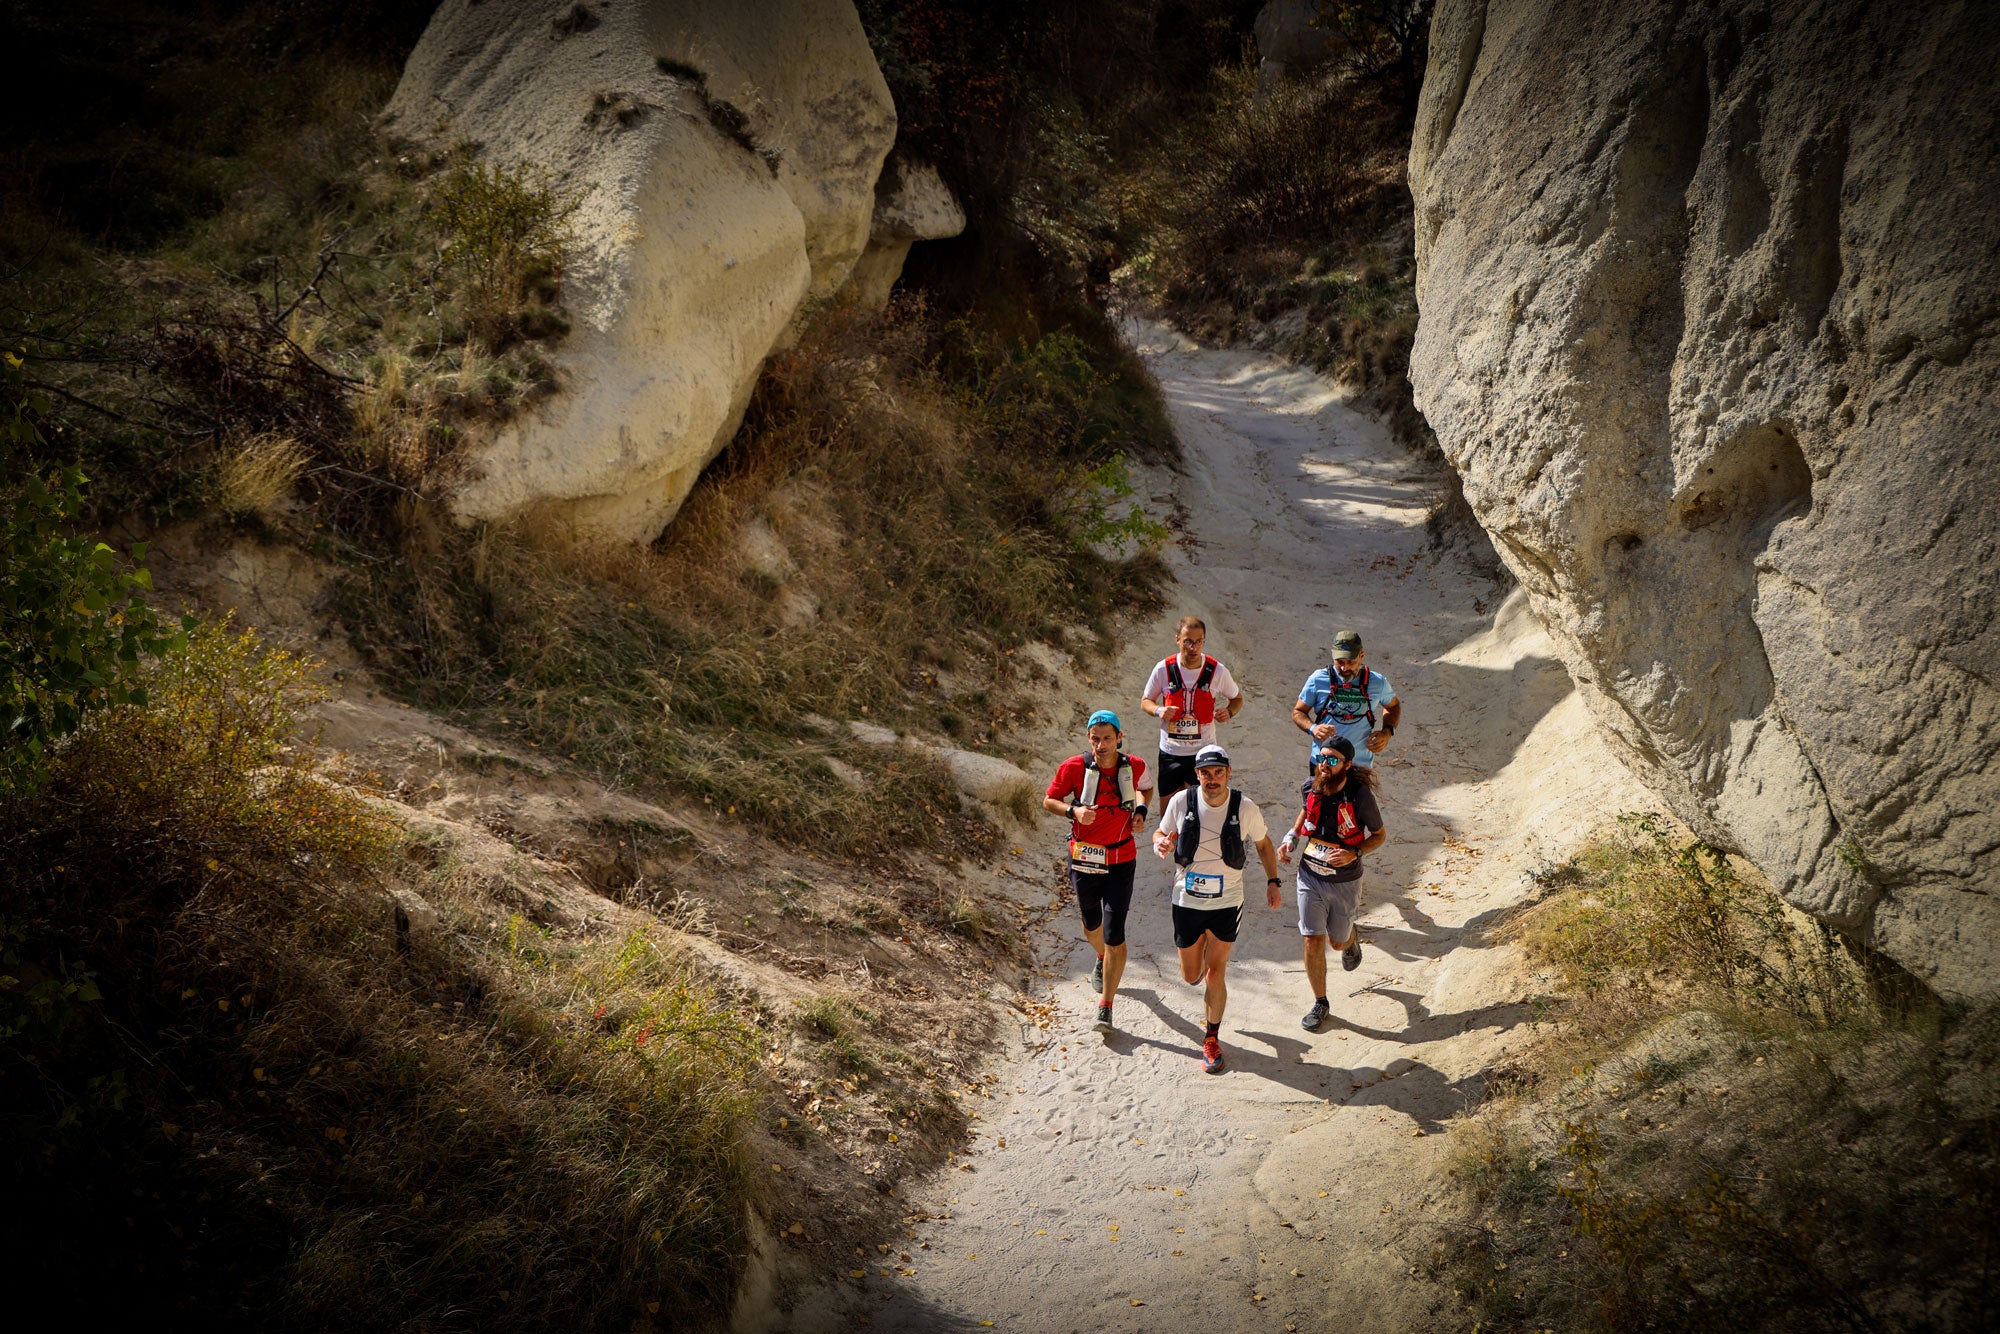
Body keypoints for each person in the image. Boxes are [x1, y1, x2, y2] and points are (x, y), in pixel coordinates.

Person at [1150, 744, 1280, 1074]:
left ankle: (1211, 1039)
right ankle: (1201, 954)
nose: (1212, 779)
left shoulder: (1245, 807)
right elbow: (1161, 833)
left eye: (1218, 772)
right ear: (1197, 775)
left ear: (1228, 773)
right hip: (1187, 900)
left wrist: (1273, 881)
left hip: (1226, 901)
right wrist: (1160, 843)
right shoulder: (1181, 801)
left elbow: (1264, 844)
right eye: (1205, 773)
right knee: (1191, 975)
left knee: (1215, 971)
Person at [1043, 710, 1152, 1034]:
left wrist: (1141, 810)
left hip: (1121, 858)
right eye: (1095, 739)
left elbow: (1144, 788)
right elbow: (1049, 800)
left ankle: (1106, 1006)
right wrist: (1073, 810)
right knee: (1092, 923)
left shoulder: (1135, 766)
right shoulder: (1074, 767)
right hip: (1085, 858)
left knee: (1114, 932)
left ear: (1119, 737)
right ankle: (1102, 957)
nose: (1101, 745)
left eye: (1107, 738)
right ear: (1088, 738)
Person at [1277, 738, 1387, 1030]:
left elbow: (1379, 835)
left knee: (1336, 941)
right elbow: (1305, 810)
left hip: (1345, 882)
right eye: (1322, 758)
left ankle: (1351, 938)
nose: (1324, 764)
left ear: (1347, 765)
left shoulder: (1360, 796)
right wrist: (1291, 837)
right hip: (1309, 875)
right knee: (1312, 939)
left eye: (1333, 760)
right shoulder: (1310, 785)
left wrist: (1354, 852)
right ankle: (1320, 1002)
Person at [1140, 616, 1244, 806]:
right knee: (1168, 812)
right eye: (1188, 641)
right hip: (1170, 752)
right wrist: (1159, 710)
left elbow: (1237, 698)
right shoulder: (1163, 669)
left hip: (1202, 752)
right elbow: (1146, 701)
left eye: (1198, 642)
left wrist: (1229, 712)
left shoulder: (1217, 671)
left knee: (1200, 811)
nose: (1193, 647)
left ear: (1204, 641)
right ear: (1177, 639)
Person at [1292, 629, 1400, 774]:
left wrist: (1387, 732)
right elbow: (1298, 712)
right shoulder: (1317, 679)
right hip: (1324, 765)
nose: (1345, 668)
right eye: (1339, 662)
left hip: (1359, 766)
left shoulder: (1377, 683)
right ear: (1332, 657)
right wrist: (1313, 728)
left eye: (1351, 661)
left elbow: (1393, 706)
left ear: (1362, 656)